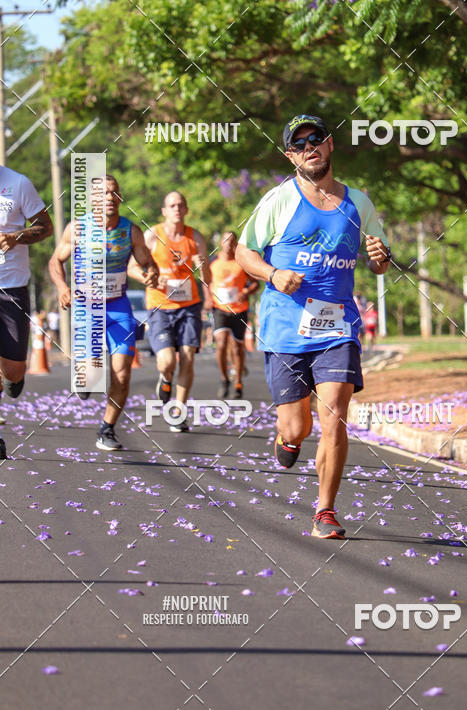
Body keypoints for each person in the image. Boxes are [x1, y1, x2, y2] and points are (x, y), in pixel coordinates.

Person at [236, 114, 391, 538]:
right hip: (285, 326)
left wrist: (380, 257)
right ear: (291, 155)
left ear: (330, 144)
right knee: (297, 426)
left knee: (335, 416)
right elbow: (244, 252)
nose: (310, 147)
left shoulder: (359, 203)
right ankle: (288, 438)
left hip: (338, 325)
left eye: (316, 138)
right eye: (299, 143)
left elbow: (378, 262)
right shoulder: (279, 201)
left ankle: (325, 510)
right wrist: (272, 274)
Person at [49, 174, 158, 450]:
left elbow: (148, 261)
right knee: (90, 378)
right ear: (93, 200)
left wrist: (151, 275)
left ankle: (107, 429)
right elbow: (56, 261)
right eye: (104, 193)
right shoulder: (77, 229)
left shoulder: (130, 231)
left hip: (119, 307)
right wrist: (63, 287)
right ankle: (84, 374)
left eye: (114, 193)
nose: (110, 198)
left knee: (122, 372)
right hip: (87, 307)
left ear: (120, 198)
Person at [134, 191, 211, 432]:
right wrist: (146, 278)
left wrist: (203, 266)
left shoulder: (195, 238)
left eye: (181, 205)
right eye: (172, 205)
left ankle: (178, 411)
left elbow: (208, 278)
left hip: (189, 305)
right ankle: (166, 378)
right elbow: (132, 267)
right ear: (164, 211)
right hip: (160, 306)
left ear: (186, 210)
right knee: (167, 360)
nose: (177, 209)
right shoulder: (153, 235)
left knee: (187, 357)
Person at [0, 164, 53, 421]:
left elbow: (45, 226)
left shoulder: (18, 183)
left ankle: (9, 377)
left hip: (11, 286)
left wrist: (15, 237)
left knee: (14, 370)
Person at [209, 231, 258, 399]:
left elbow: (255, 284)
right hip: (219, 308)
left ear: (236, 244)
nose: (229, 244)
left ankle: (238, 381)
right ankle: (224, 379)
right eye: (226, 241)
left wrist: (246, 291)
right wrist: (208, 298)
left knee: (237, 348)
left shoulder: (241, 262)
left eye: (232, 241)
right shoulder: (213, 262)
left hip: (239, 309)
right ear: (221, 243)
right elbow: (205, 281)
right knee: (221, 343)